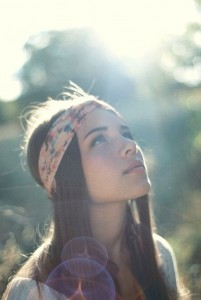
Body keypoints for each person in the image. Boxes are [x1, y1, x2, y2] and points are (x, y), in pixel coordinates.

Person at [3, 83, 181, 300]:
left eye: (125, 132)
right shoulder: (36, 291)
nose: (130, 145)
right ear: (66, 177)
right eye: (98, 139)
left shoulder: (158, 253)